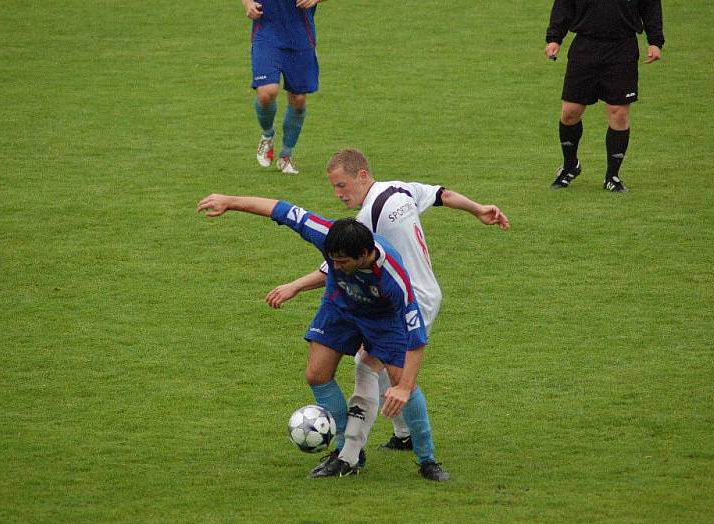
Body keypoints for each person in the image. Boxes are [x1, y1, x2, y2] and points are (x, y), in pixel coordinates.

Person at [265, 148, 509, 470]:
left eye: (342, 185)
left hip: (404, 299)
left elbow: (336, 269)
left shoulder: (367, 220)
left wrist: (294, 285)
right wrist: (478, 209)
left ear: (362, 175)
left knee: (372, 368)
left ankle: (352, 455)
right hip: (424, 291)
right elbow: (442, 195)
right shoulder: (398, 189)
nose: (338, 194)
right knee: (378, 370)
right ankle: (403, 434)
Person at [196, 193, 449, 481]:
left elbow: (416, 339)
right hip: (339, 309)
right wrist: (230, 202)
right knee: (317, 374)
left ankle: (427, 459)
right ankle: (347, 453)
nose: (334, 267)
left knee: (402, 380)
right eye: (332, 261)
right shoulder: (328, 234)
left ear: (365, 255)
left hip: (383, 320)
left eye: (342, 263)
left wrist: (403, 388)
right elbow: (282, 209)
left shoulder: (394, 279)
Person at [545, 0, 664, 192]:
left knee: (619, 112)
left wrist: (655, 41)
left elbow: (650, 6)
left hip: (622, 49)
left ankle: (612, 176)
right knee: (570, 112)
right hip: (585, 47)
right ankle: (570, 166)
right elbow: (564, 5)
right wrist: (554, 38)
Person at [242, 0, 327, 175]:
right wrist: (247, 3)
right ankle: (267, 135)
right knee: (267, 92)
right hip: (267, 34)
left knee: (298, 99)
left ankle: (286, 155)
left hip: (300, 37)